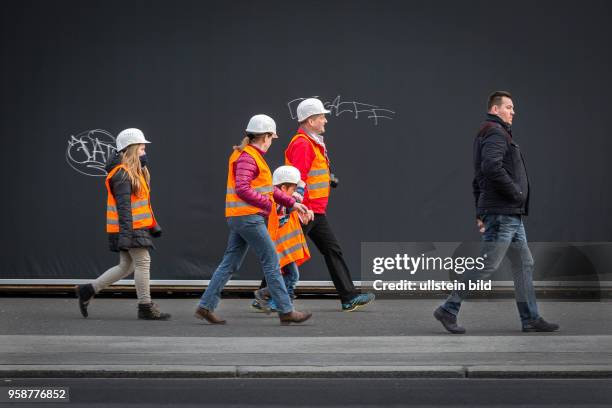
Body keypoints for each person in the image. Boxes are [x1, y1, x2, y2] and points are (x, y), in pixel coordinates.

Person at [434, 91, 559, 334]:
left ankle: (531, 318)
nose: (513, 112)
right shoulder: (495, 132)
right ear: (495, 109)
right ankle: (448, 309)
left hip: (507, 212)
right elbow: (490, 168)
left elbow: (478, 178)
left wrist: (480, 210)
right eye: (509, 107)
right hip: (504, 211)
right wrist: (515, 193)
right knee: (487, 264)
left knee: (524, 263)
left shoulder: (492, 132)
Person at [257, 98, 375, 312]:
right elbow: (296, 180)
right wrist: (299, 207)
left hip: (314, 211)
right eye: (321, 117)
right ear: (310, 121)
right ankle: (265, 296)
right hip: (305, 210)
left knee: (328, 250)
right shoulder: (302, 144)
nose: (325, 120)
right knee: (287, 252)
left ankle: (348, 297)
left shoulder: (312, 142)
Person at [195, 114, 312, 325]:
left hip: (241, 217)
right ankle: (286, 310)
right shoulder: (249, 157)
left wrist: (292, 203)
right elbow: (243, 188)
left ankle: (205, 306)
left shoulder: (250, 155)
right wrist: (267, 205)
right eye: (271, 137)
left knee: (229, 263)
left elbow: (268, 190)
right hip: (249, 218)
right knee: (272, 261)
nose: (271, 141)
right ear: (265, 136)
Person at [75, 128, 170, 320]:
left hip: (131, 228)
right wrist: (126, 236)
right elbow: (124, 208)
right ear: (131, 149)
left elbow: (141, 204)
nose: (145, 153)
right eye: (142, 149)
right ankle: (145, 306)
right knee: (143, 262)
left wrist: (153, 225)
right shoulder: (122, 174)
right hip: (129, 228)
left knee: (126, 266)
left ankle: (88, 290)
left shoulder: (134, 172)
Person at [253, 165, 313, 312]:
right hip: (281, 249)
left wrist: (305, 213)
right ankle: (266, 295)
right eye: (292, 188)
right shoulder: (277, 202)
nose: (294, 193)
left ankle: (279, 303)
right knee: (292, 276)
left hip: (285, 249)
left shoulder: (284, 203)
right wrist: (301, 186)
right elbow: (293, 203)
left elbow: (293, 210)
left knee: (289, 277)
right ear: (284, 188)